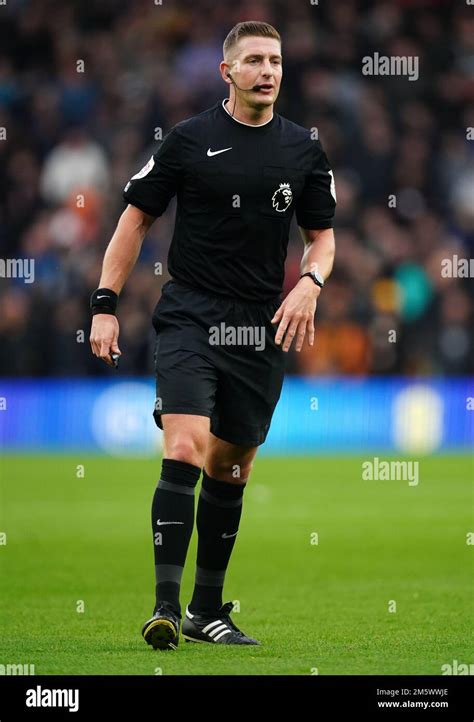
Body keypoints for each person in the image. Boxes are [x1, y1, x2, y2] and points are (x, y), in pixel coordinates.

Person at [89, 20, 336, 651]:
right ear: (227, 72)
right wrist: (105, 304)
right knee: (185, 446)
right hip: (191, 314)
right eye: (254, 60)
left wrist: (309, 282)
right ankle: (165, 608)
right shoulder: (188, 140)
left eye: (275, 60)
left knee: (234, 465)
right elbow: (135, 220)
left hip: (261, 324)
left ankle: (206, 609)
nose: (268, 71)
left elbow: (322, 237)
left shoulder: (303, 150)